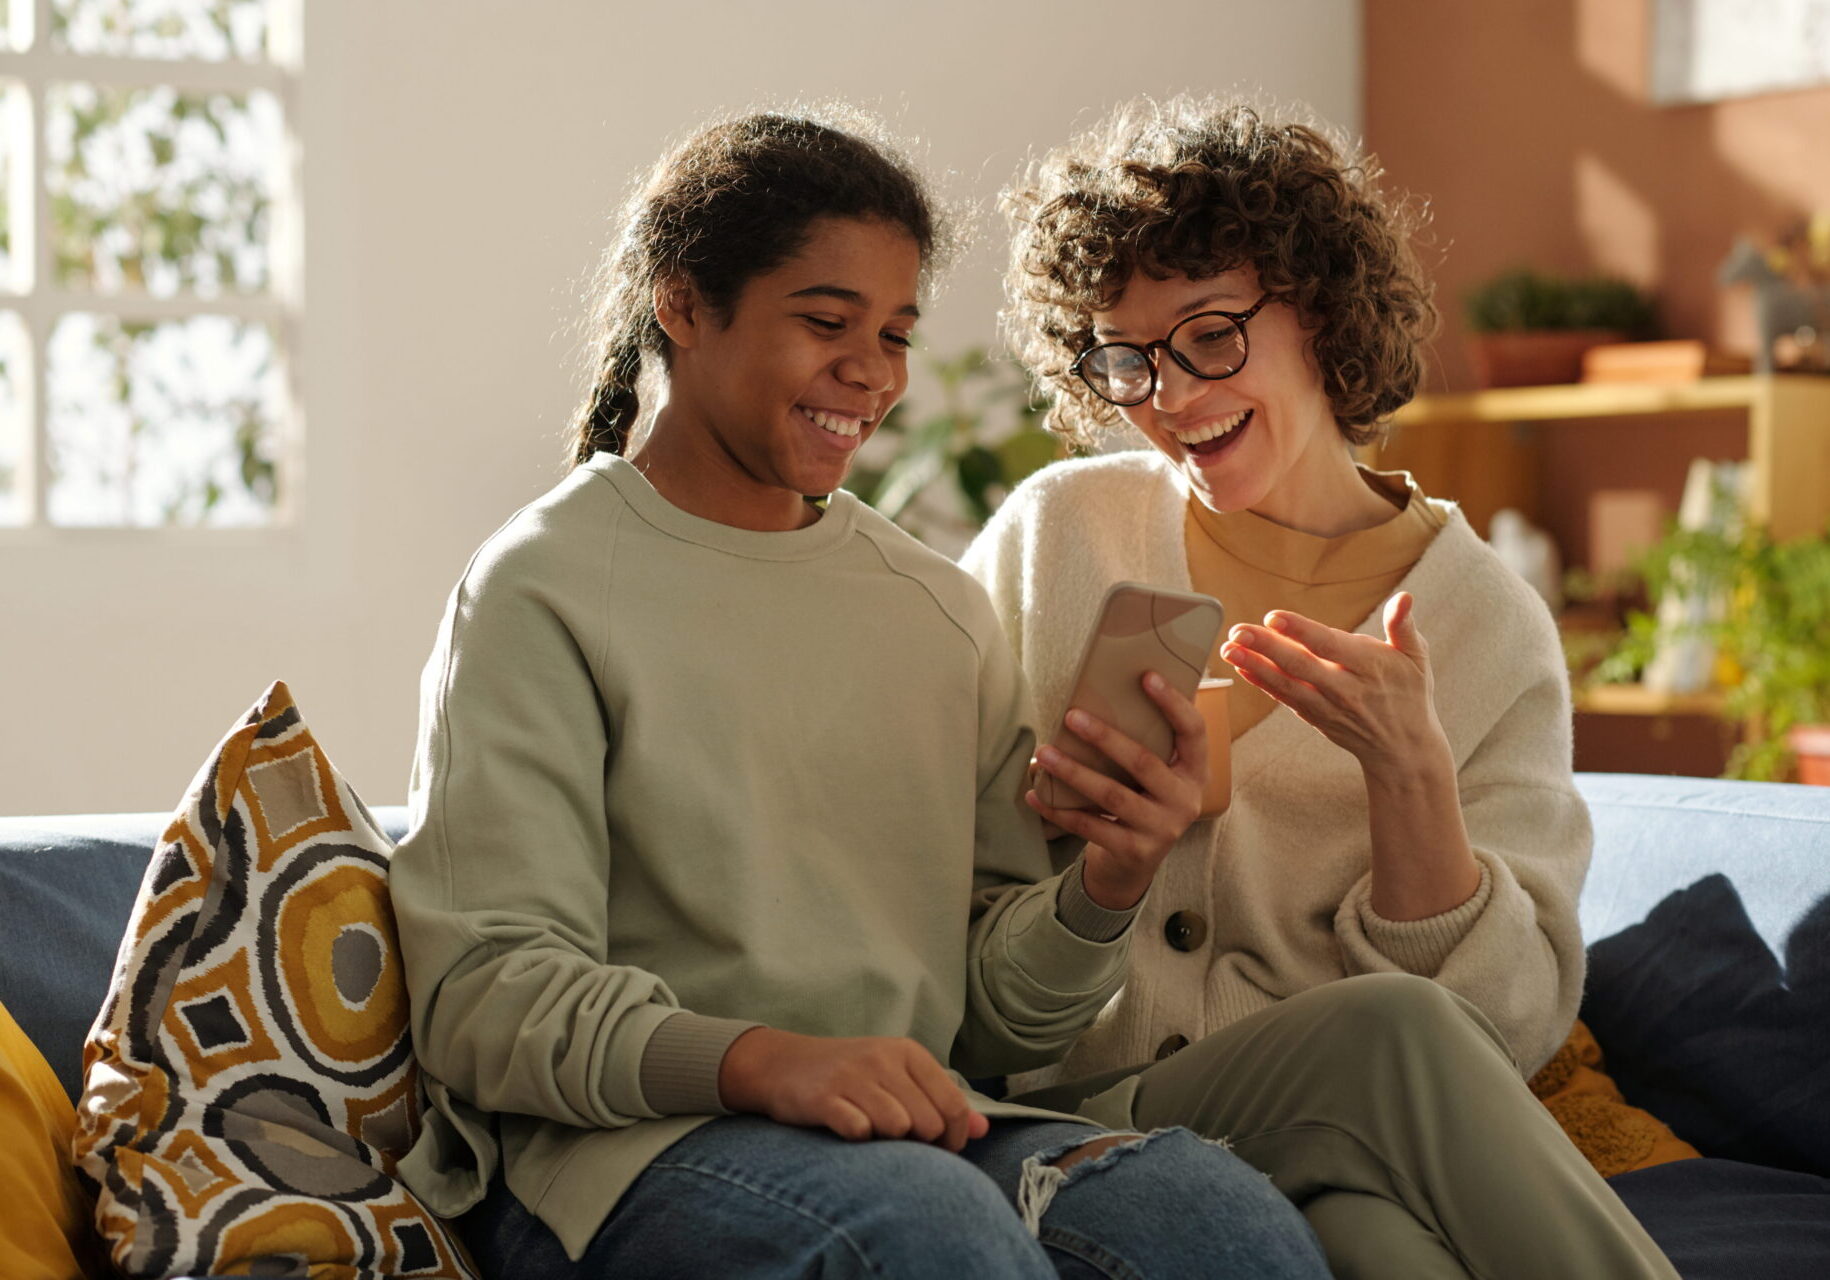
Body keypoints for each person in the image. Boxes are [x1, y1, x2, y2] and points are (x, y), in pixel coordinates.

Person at [386, 108, 1330, 1280]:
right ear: (683, 303)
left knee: (1222, 1223)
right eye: (827, 323)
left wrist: (1104, 885)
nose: (871, 374)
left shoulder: (933, 611)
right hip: (623, 1156)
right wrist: (765, 1059)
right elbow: (488, 997)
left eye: (894, 334)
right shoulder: (541, 590)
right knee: (928, 1235)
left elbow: (990, 1021)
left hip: (922, 1129)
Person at [961, 97, 1679, 1279]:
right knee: (1391, 1031)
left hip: (1324, 1139)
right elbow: (935, 868)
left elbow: (1505, 1030)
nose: (1172, 396)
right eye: (1126, 359)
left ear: (1319, 308)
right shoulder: (1059, 536)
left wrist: (1412, 781)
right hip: (1079, 1105)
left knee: (1401, 1257)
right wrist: (1089, 842)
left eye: (1209, 336)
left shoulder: (1485, 621)